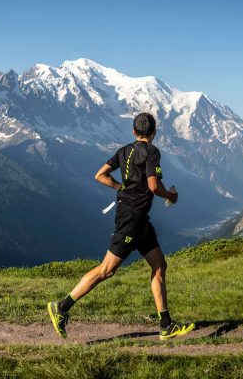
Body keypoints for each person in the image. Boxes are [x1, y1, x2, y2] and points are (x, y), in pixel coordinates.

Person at [47, 112, 195, 340]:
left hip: (138, 219)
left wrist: (120, 187)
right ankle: (62, 307)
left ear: (134, 132)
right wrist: (171, 196)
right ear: (154, 132)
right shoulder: (152, 152)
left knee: (159, 265)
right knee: (106, 270)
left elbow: (99, 175)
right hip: (132, 220)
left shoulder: (125, 150)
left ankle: (166, 325)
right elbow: (154, 186)